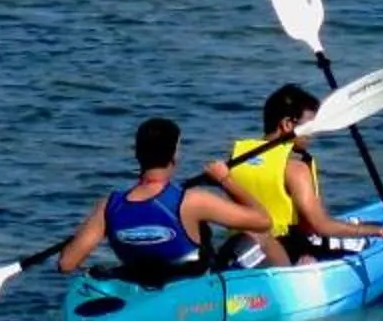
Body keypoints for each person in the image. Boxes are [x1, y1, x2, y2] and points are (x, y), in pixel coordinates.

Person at [213, 82, 383, 267]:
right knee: (356, 243)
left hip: (243, 248)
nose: (313, 133)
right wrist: (382, 231)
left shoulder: (236, 158)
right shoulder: (294, 169)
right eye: (309, 126)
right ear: (287, 125)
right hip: (284, 253)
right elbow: (320, 226)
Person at [55, 118, 270, 286]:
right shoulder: (193, 201)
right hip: (189, 289)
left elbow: (66, 264)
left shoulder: (109, 206)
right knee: (255, 237)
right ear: (174, 155)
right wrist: (225, 180)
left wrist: (84, 233)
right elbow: (263, 220)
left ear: (137, 154)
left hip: (140, 283)